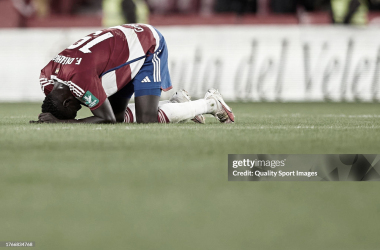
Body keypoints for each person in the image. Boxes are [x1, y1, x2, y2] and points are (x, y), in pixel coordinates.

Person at [33, 23, 234, 124]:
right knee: (119, 116)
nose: (81, 105)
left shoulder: (80, 79)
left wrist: (68, 123)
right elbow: (110, 116)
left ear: (68, 102)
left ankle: (209, 103)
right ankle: (178, 104)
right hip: (117, 56)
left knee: (146, 118)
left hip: (147, 45)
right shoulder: (47, 77)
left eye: (76, 108)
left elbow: (106, 119)